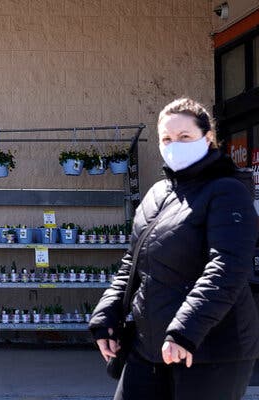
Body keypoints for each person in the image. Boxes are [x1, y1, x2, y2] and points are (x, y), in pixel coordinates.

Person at [89, 98, 259, 400]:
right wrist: (107, 315)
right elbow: (134, 263)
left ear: (207, 139)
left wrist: (183, 332)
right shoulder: (158, 193)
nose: (174, 145)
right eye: (166, 138)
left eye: (185, 137)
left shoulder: (228, 190)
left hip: (209, 350)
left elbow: (227, 268)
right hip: (148, 347)